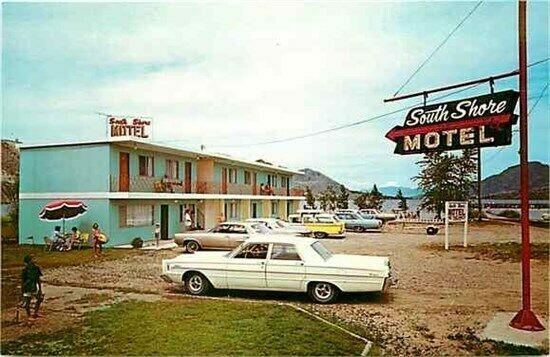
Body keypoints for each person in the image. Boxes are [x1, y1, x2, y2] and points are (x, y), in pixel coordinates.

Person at [21, 254, 44, 319]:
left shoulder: (36, 268)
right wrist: (22, 290)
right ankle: (29, 315)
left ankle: (35, 313)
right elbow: (22, 281)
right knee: (27, 301)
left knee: (40, 298)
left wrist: (40, 288)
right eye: (33, 258)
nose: (35, 259)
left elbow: (38, 279)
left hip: (34, 286)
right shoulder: (25, 269)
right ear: (29, 261)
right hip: (27, 287)